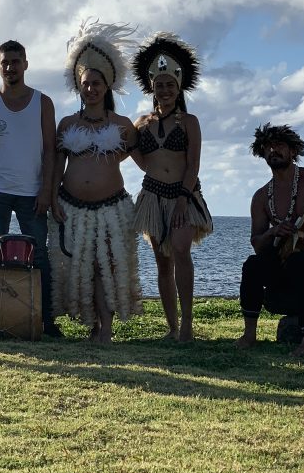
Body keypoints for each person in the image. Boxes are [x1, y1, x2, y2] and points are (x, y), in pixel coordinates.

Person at [49, 22, 142, 342]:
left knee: (107, 267)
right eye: (87, 83)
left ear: (107, 86)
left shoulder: (122, 125)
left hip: (111, 207)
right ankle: (92, 325)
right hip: (70, 207)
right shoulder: (67, 123)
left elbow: (141, 158)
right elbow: (56, 164)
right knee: (83, 268)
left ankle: (106, 327)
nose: (92, 88)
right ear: (79, 85)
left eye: (97, 83)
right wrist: (51, 199)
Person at [0, 40, 59, 336]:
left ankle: (46, 321)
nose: (10, 67)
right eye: (5, 62)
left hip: (32, 193)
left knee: (38, 257)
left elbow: (50, 150)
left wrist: (47, 190)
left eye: (15, 61)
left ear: (25, 64)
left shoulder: (43, 102)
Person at [236, 124, 304, 358]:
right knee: (252, 265)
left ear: (293, 150)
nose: (273, 150)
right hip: (282, 260)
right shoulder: (262, 196)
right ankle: (249, 334)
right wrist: (273, 232)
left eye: (280, 145)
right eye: (267, 147)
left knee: (301, 263)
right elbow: (257, 243)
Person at [131, 33, 212, 342]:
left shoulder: (190, 122)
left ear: (179, 88)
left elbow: (193, 165)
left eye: (170, 85)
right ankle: (172, 327)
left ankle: (188, 325)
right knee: (162, 262)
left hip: (184, 194)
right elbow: (138, 157)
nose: (164, 90)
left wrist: (182, 199)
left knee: (180, 251)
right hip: (152, 195)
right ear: (152, 87)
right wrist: (142, 158)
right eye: (159, 85)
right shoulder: (142, 122)